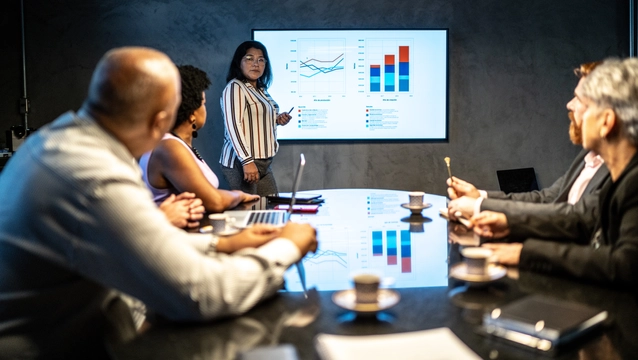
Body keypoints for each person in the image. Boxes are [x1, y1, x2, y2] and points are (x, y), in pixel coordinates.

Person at [0, 47, 317, 357]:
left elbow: (134, 241)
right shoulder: (94, 177)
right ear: (162, 120)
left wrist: (223, 245)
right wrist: (287, 246)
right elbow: (200, 295)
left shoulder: (58, 140)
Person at [471, 58, 638, 287]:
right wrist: (510, 223)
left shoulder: (633, 181)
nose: (571, 107)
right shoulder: (622, 176)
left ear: (606, 121)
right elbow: (581, 218)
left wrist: (525, 253)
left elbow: (625, 265)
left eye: (583, 103)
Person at [447, 61, 609, 234]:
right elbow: (548, 199)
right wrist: (480, 196)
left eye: (579, 98)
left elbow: (574, 218)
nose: (569, 104)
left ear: (606, 116)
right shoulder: (588, 156)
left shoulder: (621, 171)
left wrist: (480, 207)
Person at [140, 64, 259, 213]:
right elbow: (213, 201)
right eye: (203, 103)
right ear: (192, 114)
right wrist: (239, 195)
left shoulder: (176, 144)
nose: (205, 108)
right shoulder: (169, 147)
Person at [219, 40, 292, 196]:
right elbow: (234, 126)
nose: (256, 64)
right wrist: (247, 161)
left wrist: (277, 119)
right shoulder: (235, 87)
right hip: (242, 163)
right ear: (239, 62)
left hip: (263, 163)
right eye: (249, 58)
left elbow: (255, 119)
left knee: (271, 211)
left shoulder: (260, 89)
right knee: (249, 215)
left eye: (261, 60)